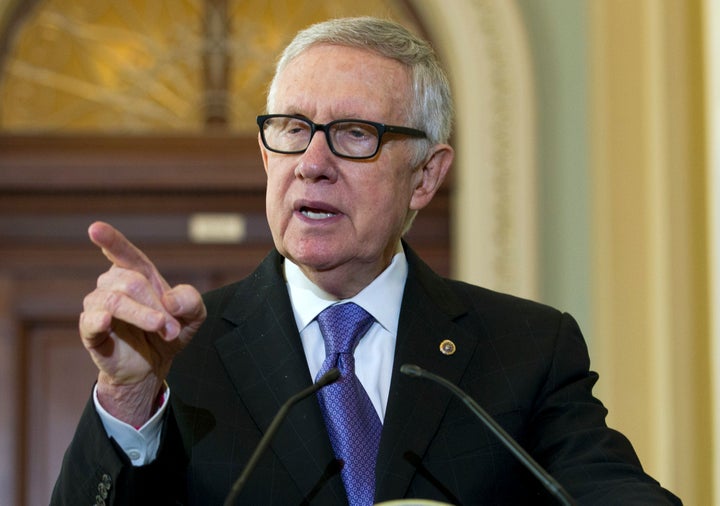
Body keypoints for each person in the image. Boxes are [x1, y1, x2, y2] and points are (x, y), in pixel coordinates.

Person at [51, 16, 681, 506]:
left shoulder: (527, 349)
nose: (313, 162)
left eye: (356, 133)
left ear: (426, 177)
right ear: (268, 158)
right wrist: (128, 396)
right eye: (293, 129)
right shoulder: (182, 355)